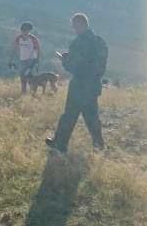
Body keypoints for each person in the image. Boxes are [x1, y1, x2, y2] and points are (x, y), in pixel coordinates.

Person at [46, 13, 108, 152]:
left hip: (79, 85)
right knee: (92, 117)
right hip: (93, 85)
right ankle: (99, 145)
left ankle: (60, 144)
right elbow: (101, 66)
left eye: (74, 26)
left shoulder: (78, 42)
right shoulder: (100, 42)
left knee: (69, 115)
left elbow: (72, 66)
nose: (74, 29)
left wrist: (64, 60)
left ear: (80, 24)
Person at [9, 22, 41, 94]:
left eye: (27, 30)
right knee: (22, 77)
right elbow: (14, 49)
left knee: (30, 77)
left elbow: (38, 50)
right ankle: (24, 93)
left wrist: (37, 62)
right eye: (23, 30)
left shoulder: (33, 39)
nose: (25, 32)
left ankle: (33, 93)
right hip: (22, 60)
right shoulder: (18, 38)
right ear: (21, 30)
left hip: (32, 60)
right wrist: (10, 60)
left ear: (29, 31)